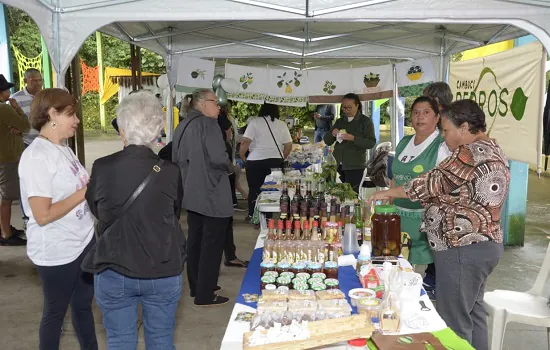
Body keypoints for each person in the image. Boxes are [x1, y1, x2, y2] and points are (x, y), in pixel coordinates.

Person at [368, 99, 510, 350]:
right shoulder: (494, 148)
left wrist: (386, 193)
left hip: (462, 248)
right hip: (485, 245)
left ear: (464, 128)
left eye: (446, 130)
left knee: (454, 322)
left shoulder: (470, 153)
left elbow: (431, 182)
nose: (443, 137)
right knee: (473, 314)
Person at [82, 91, 186, 349]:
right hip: (162, 266)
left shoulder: (102, 167)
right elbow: (173, 213)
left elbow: (97, 208)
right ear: (157, 131)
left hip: (115, 265)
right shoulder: (170, 171)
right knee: (161, 339)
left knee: (119, 341)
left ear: (122, 128)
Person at [18, 88, 97, 349]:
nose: (76, 121)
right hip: (57, 249)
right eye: (71, 114)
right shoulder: (37, 156)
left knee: (83, 307)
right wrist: (84, 192)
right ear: (52, 114)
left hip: (82, 242)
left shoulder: (62, 148)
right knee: (55, 313)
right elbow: (42, 214)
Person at [172, 88, 233, 306]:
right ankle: (206, 293)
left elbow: (175, 156)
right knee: (212, 244)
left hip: (191, 191)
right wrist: (230, 166)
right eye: (215, 102)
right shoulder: (208, 124)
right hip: (212, 192)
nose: (218, 107)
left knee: (195, 242)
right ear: (202, 104)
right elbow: (218, 158)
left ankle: (197, 286)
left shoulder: (183, 124)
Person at [390, 96, 452, 299]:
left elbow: (443, 187)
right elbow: (394, 178)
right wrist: (387, 202)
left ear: (437, 117)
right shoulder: (404, 142)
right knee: (395, 269)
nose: (420, 117)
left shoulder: (441, 146)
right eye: (416, 112)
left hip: (424, 221)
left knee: (415, 278)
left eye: (426, 112)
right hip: (398, 217)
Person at [239, 103, 292, 221]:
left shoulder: (255, 122)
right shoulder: (281, 124)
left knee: (254, 189)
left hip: (255, 161)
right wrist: (281, 157)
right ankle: (268, 216)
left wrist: (242, 155)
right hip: (275, 161)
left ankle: (253, 215)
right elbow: (288, 145)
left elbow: (245, 141)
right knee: (272, 189)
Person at [11, 68, 43, 231]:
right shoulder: (16, 99)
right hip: (25, 144)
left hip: (44, 144)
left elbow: (52, 119)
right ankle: (27, 218)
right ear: (26, 81)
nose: (37, 83)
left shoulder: (46, 98)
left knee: (43, 179)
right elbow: (11, 123)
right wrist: (14, 129)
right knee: (26, 181)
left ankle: (42, 213)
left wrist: (53, 131)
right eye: (34, 80)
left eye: (39, 80)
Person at [323, 93, 376, 192]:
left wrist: (353, 138)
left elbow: (371, 142)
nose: (346, 110)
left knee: (351, 194)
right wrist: (332, 134)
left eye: (349, 107)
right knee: (333, 192)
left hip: (355, 166)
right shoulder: (340, 121)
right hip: (337, 164)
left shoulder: (365, 121)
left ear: (357, 106)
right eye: (344, 107)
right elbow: (327, 141)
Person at [217, 102, 248, 268]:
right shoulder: (221, 143)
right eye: (229, 130)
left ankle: (229, 255)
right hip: (219, 189)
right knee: (224, 223)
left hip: (214, 189)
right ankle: (229, 255)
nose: (231, 134)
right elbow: (225, 166)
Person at [0, 74, 29, 245]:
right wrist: (17, 108)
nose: (9, 91)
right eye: (6, 89)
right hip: (7, 158)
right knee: (7, 198)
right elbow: (25, 126)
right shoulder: (4, 108)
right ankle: (6, 234)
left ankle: (5, 228)